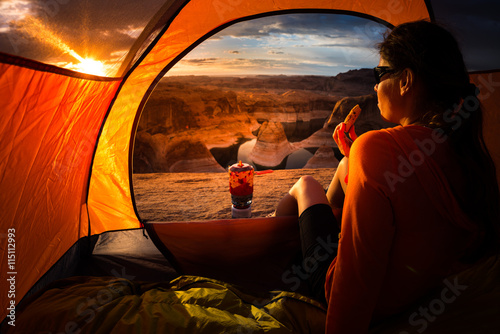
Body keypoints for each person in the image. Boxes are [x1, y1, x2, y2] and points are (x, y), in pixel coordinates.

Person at [274, 20, 499, 333]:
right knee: (343, 167)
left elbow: (348, 303)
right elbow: (407, 193)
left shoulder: (379, 147)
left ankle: (273, 249)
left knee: (305, 185)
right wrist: (355, 159)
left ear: (405, 80)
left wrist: (364, 155)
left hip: (365, 300)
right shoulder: (469, 151)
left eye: (379, 75)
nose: (374, 87)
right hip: (414, 291)